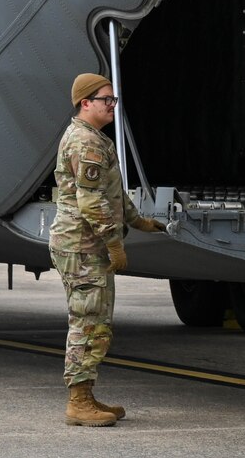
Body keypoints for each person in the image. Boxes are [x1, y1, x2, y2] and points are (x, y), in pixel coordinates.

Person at [50, 72, 164, 426]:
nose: (113, 105)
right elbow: (91, 202)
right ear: (86, 103)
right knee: (88, 321)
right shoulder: (86, 144)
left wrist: (140, 221)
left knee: (95, 320)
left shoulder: (95, 140)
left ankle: (86, 394)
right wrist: (115, 244)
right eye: (106, 100)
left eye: (113, 100)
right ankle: (78, 402)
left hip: (84, 244)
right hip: (82, 246)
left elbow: (111, 196)